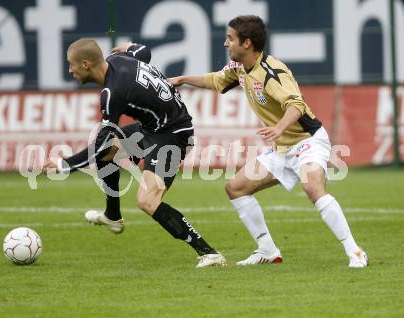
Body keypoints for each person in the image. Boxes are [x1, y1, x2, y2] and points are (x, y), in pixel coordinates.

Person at [169, 15, 368, 268]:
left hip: (308, 141)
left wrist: (279, 127)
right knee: (236, 187)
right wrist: (182, 79)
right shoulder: (239, 68)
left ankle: (355, 252)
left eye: (230, 38)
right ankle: (267, 250)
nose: (225, 44)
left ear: (247, 43)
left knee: (313, 188)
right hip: (283, 148)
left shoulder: (272, 72)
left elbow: (296, 104)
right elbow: (216, 81)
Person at [42, 38, 226, 268]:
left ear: (87, 64)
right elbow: (144, 52)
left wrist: (65, 165)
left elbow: (101, 141)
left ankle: (209, 253)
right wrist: (130, 46)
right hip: (152, 129)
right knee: (108, 154)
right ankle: (113, 216)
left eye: (71, 65)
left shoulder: (112, 92)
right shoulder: (118, 59)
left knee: (147, 200)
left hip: (173, 135)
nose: (70, 70)